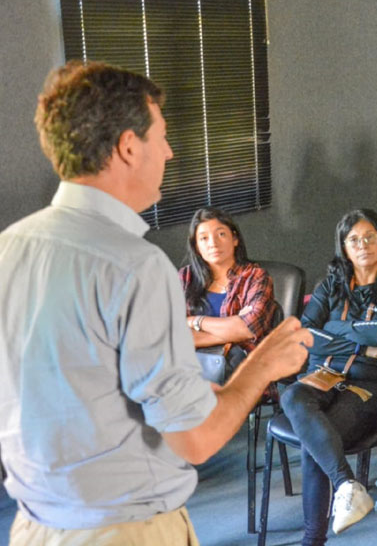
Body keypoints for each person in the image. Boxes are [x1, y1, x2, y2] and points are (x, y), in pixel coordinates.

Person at [0, 61, 308, 545]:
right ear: (128, 146)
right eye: (161, 137)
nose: (168, 151)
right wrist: (264, 363)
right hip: (121, 531)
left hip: (34, 526)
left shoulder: (9, 249)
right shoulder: (133, 265)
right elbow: (196, 439)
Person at [279, 208, 377, 544]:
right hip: (324, 374)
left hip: (371, 384)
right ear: (343, 247)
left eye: (370, 237)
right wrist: (361, 345)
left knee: (316, 441)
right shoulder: (330, 285)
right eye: (353, 240)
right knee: (292, 395)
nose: (363, 245)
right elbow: (304, 336)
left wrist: (333, 327)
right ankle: (346, 484)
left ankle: (312, 541)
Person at [179, 207, 277, 374]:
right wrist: (231, 332)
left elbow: (248, 329)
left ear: (235, 239)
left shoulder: (255, 277)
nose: (213, 243)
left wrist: (195, 322)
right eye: (204, 238)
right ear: (196, 247)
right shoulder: (186, 277)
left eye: (221, 234)